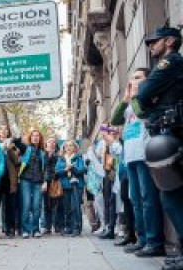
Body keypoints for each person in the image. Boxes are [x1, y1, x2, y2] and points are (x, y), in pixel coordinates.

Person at [132, 27, 183, 270]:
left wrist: (148, 95)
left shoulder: (170, 62)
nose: (151, 46)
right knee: (170, 195)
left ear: (170, 41)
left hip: (172, 135)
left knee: (171, 195)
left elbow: (143, 93)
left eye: (155, 42)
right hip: (167, 135)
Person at [112, 68, 165, 255]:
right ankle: (142, 239)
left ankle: (154, 241)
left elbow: (142, 114)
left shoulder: (148, 97)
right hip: (130, 157)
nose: (133, 81)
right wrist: (126, 98)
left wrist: (135, 96)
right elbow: (115, 119)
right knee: (135, 200)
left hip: (145, 155)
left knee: (148, 199)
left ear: (146, 80)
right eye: (132, 78)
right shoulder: (130, 103)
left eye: (137, 78)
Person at [15, 128, 46, 238]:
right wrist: (18, 134)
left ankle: (35, 229)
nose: (35, 137)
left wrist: (45, 182)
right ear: (30, 137)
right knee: (26, 205)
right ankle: (25, 230)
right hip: (25, 180)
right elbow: (16, 142)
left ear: (40, 138)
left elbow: (45, 169)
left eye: (37, 136)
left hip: (38, 182)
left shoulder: (43, 152)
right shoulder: (25, 148)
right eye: (33, 135)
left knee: (36, 206)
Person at [0, 124, 19, 238]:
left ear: (8, 132)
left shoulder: (12, 145)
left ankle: (9, 228)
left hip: (9, 178)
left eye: (5, 129)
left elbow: (17, 161)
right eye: (1, 129)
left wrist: (9, 150)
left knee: (9, 205)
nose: (3, 131)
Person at [55, 140, 85, 237]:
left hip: (77, 185)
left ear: (75, 147)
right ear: (63, 148)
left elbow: (82, 170)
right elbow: (57, 171)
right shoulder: (61, 159)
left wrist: (73, 168)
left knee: (75, 207)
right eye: (66, 146)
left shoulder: (79, 158)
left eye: (71, 145)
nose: (68, 147)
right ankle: (69, 227)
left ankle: (77, 228)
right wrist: (65, 169)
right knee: (67, 207)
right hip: (65, 186)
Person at [42, 136, 63, 234]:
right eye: (49, 142)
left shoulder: (59, 155)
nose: (51, 143)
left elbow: (58, 168)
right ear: (46, 144)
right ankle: (47, 226)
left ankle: (57, 226)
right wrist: (45, 181)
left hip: (56, 181)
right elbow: (44, 169)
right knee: (47, 205)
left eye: (53, 142)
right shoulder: (43, 155)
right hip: (46, 182)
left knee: (57, 205)